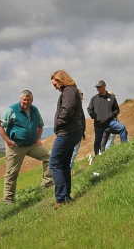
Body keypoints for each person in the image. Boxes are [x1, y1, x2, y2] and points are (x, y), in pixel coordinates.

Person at [0, 90, 53, 204]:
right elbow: (0, 126)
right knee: (12, 173)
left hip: (32, 145)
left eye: (28, 100)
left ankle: (47, 186)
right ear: (20, 99)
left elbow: (40, 125)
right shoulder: (11, 110)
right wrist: (8, 141)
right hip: (15, 146)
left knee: (50, 157)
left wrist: (38, 139)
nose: (26, 102)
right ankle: (8, 201)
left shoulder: (34, 110)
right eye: (24, 100)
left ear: (32, 100)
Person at [50, 70, 83, 209]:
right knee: (63, 164)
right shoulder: (71, 90)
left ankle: (61, 198)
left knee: (54, 162)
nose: (55, 87)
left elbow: (68, 109)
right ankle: (66, 196)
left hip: (67, 132)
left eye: (55, 83)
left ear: (61, 80)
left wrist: (58, 121)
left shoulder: (68, 90)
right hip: (72, 131)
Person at [87, 80, 128, 156]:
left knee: (122, 128)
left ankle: (125, 148)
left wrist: (112, 115)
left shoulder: (111, 98)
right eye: (97, 87)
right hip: (98, 124)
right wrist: (95, 116)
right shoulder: (94, 98)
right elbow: (89, 109)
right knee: (98, 142)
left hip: (110, 122)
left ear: (104, 86)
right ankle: (97, 159)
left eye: (99, 86)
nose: (98, 88)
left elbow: (116, 109)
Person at [69, 88, 86, 171]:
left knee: (72, 153)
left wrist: (82, 133)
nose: (82, 95)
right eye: (81, 93)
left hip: (77, 132)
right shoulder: (76, 106)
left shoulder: (79, 106)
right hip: (74, 133)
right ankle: (68, 171)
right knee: (72, 153)